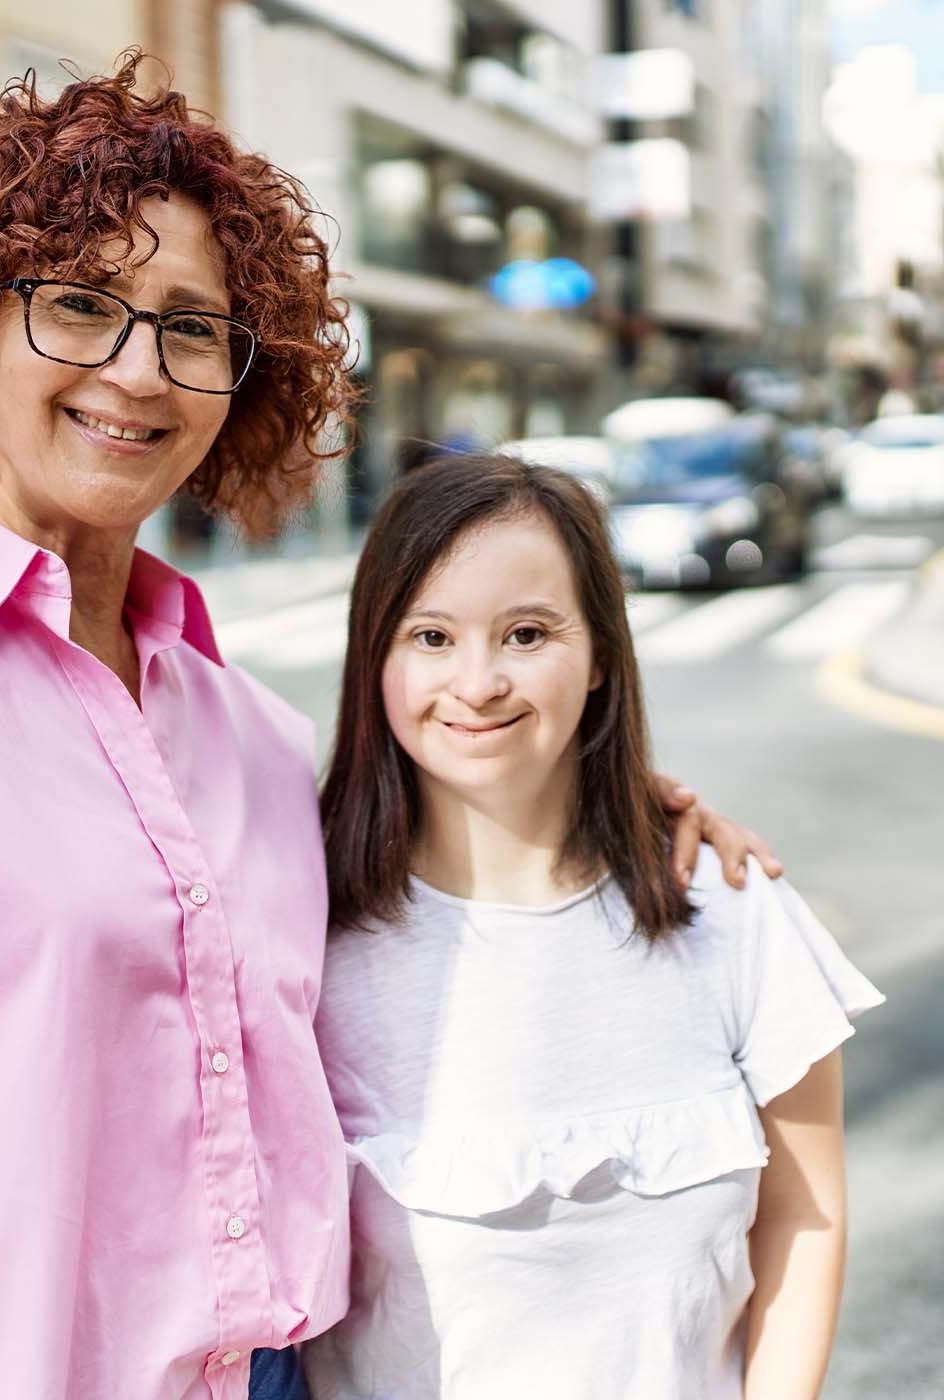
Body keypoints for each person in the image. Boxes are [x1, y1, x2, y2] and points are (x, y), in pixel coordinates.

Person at [0, 58, 776, 1400]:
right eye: (79, 307)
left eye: (192, 329)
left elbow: (426, 887)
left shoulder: (245, 729)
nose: (139, 368)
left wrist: (609, 794)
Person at [303, 454, 882, 1400]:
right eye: (432, 636)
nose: (479, 682)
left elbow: (803, 1220)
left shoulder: (728, 904)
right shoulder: (304, 927)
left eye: (527, 633)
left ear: (602, 652)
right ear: (376, 657)